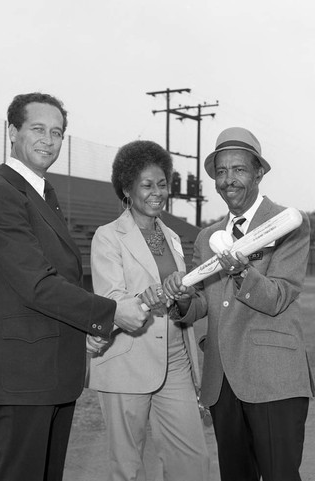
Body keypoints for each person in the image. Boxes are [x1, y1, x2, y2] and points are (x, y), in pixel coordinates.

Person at [0, 92, 149, 481]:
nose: (49, 140)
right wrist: (111, 312)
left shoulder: (42, 193)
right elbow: (36, 283)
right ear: (12, 131)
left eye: (57, 132)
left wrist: (80, 330)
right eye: (38, 129)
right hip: (25, 374)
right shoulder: (1, 194)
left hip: (50, 369)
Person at [164, 127, 315, 481]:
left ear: (259, 172)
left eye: (239, 169)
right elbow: (205, 302)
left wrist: (243, 273)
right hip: (222, 383)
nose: (228, 180)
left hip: (273, 377)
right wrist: (185, 301)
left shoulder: (288, 224)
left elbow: (278, 295)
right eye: (221, 171)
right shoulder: (206, 238)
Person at [86, 140, 209, 481]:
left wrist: (181, 296)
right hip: (126, 359)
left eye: (162, 183)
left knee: (193, 463)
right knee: (127, 469)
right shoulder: (108, 237)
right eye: (146, 185)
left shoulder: (170, 237)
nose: (157, 192)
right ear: (126, 189)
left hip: (176, 360)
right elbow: (112, 302)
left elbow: (185, 299)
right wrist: (148, 297)